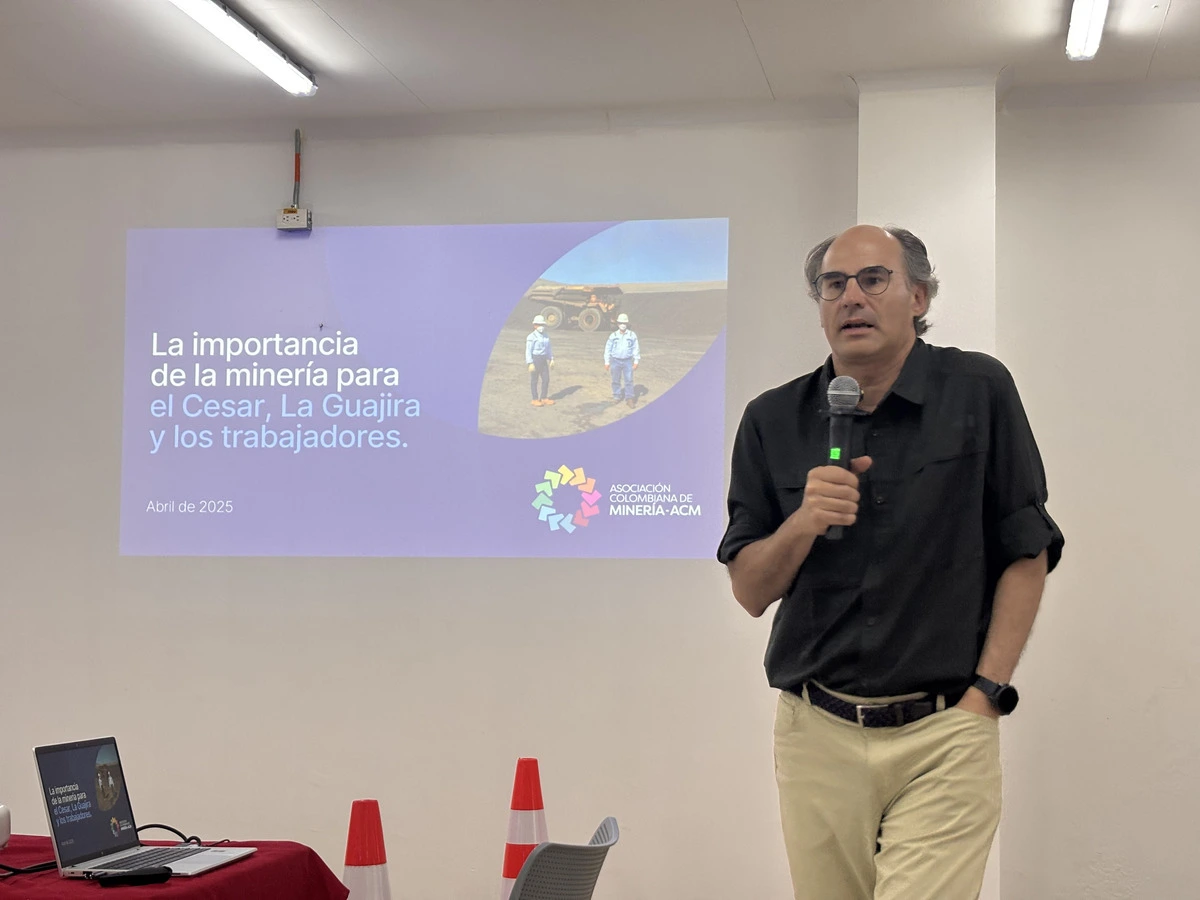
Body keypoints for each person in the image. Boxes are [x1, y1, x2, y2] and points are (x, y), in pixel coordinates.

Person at [716, 224, 1064, 900]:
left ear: (917, 295)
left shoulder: (978, 390)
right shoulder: (772, 419)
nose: (852, 297)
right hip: (816, 731)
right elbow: (750, 590)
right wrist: (804, 522)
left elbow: (1027, 549)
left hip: (944, 730)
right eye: (833, 285)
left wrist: (984, 697)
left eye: (873, 279)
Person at [604, 313, 640, 407]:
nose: (623, 325)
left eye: (624, 323)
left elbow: (636, 348)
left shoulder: (632, 335)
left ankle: (629, 398)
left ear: (627, 324)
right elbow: (608, 349)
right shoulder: (613, 335)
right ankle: (617, 396)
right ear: (618, 324)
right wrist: (607, 362)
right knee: (615, 380)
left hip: (627, 361)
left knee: (629, 380)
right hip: (615, 360)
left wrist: (636, 361)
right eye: (621, 323)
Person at [525, 314, 554, 407]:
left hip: (543, 359)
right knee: (534, 380)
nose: (541, 327)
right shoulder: (531, 337)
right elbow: (528, 350)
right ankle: (535, 399)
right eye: (538, 324)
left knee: (546, 379)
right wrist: (530, 363)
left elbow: (548, 348)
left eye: (542, 325)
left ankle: (544, 397)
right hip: (535, 359)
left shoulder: (546, 336)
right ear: (534, 325)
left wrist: (551, 359)